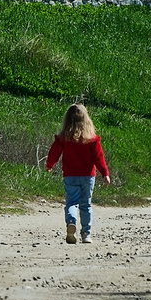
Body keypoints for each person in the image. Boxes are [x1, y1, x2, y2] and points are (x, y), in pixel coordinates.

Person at [42, 103, 113, 245]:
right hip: (88, 176)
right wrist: (105, 173)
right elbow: (98, 158)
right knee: (86, 205)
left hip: (70, 175)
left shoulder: (64, 138)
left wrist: (50, 165)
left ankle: (71, 222)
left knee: (71, 203)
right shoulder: (91, 139)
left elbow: (54, 152)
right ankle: (86, 234)